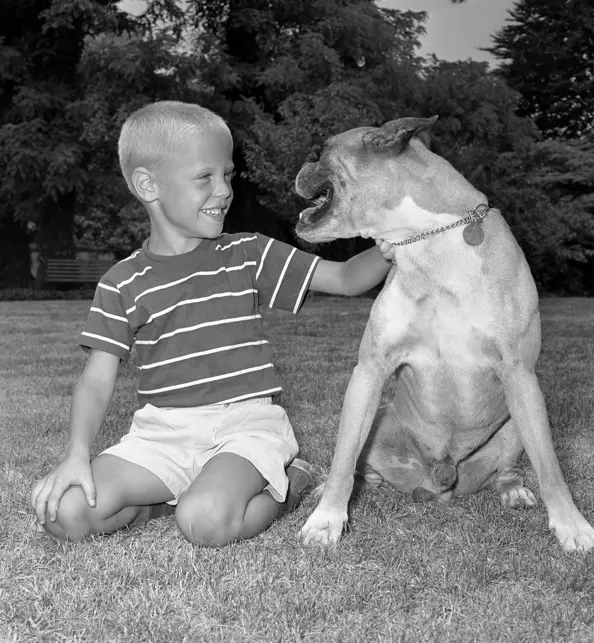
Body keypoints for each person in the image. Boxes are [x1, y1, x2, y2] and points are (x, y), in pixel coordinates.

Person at [30, 100, 394, 547]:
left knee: (203, 523)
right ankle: (159, 501)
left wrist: (399, 238)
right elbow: (95, 381)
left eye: (227, 175)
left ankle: (290, 485)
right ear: (148, 185)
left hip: (244, 428)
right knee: (64, 512)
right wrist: (76, 456)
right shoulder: (121, 282)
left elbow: (346, 278)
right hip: (161, 434)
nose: (223, 190)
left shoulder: (247, 253)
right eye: (205, 177)